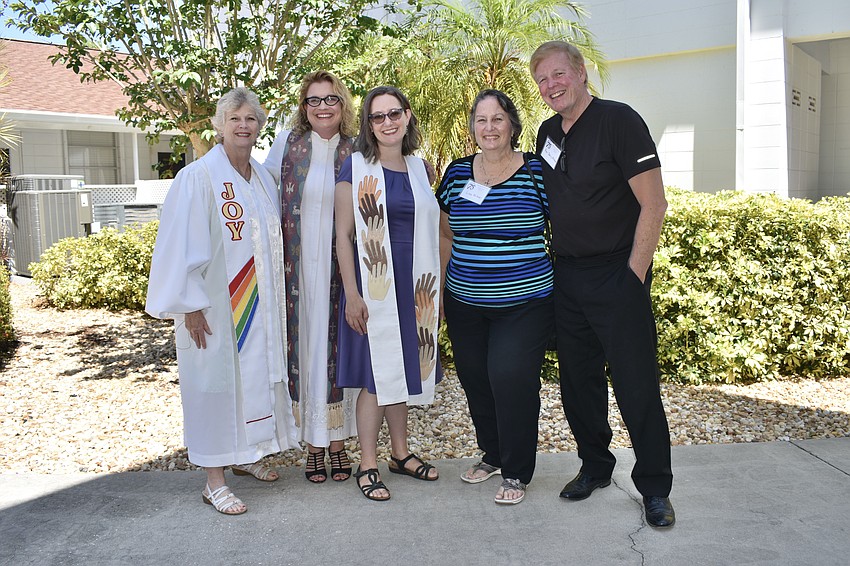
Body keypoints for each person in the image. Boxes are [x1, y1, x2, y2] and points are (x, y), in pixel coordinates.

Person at [531, 40, 675, 527]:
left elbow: (654, 204)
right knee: (578, 383)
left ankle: (654, 487)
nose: (551, 85)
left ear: (580, 72)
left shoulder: (620, 120)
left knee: (636, 386)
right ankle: (595, 466)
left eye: (558, 74)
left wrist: (633, 276)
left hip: (618, 274)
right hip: (566, 277)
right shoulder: (547, 132)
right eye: (542, 80)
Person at [146, 87, 298, 515]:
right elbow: (177, 246)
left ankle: (247, 456)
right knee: (214, 386)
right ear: (218, 124)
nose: (243, 126)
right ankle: (214, 481)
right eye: (235, 118)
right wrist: (188, 304)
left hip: (257, 306)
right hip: (212, 306)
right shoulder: (197, 177)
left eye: (251, 119)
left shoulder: (262, 178)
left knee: (253, 378)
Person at [436, 89, 552, 505]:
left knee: (511, 377)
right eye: (481, 120)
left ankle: (517, 470)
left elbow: (566, 221)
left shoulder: (536, 171)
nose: (489, 128)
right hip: (465, 300)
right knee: (476, 379)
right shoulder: (456, 173)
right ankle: (493, 453)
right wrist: (441, 291)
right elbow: (446, 233)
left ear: (512, 125)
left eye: (497, 119)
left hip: (525, 301)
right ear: (472, 128)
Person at [334, 85, 441, 501]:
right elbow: (343, 236)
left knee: (401, 371)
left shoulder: (420, 169)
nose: (387, 123)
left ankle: (400, 453)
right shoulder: (355, 166)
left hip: (414, 287)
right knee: (377, 377)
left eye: (393, 113)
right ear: (368, 125)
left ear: (407, 116)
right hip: (372, 285)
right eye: (377, 117)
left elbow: (434, 232)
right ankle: (368, 463)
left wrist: (437, 294)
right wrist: (352, 294)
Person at [263, 71, 358, 483]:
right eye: (314, 100)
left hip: (345, 273)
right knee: (306, 353)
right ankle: (314, 445)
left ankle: (338, 444)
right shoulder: (286, 146)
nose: (323, 107)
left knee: (339, 352)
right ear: (304, 107)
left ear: (344, 105)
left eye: (331, 99)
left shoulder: (358, 151)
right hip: (297, 274)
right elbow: (260, 195)